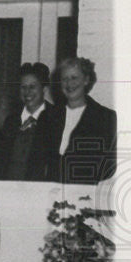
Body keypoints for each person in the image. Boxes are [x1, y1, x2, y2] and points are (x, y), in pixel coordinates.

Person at [46, 57, 117, 185]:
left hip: (85, 193)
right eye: (64, 79)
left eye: (74, 78)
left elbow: (109, 165)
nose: (69, 84)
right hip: (50, 192)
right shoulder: (49, 115)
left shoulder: (105, 117)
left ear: (86, 80)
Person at [0, 62, 57, 181]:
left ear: (44, 89)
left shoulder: (56, 119)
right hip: (10, 190)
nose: (27, 92)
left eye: (32, 87)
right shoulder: (11, 121)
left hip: (40, 191)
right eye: (23, 87)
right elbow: (0, 165)